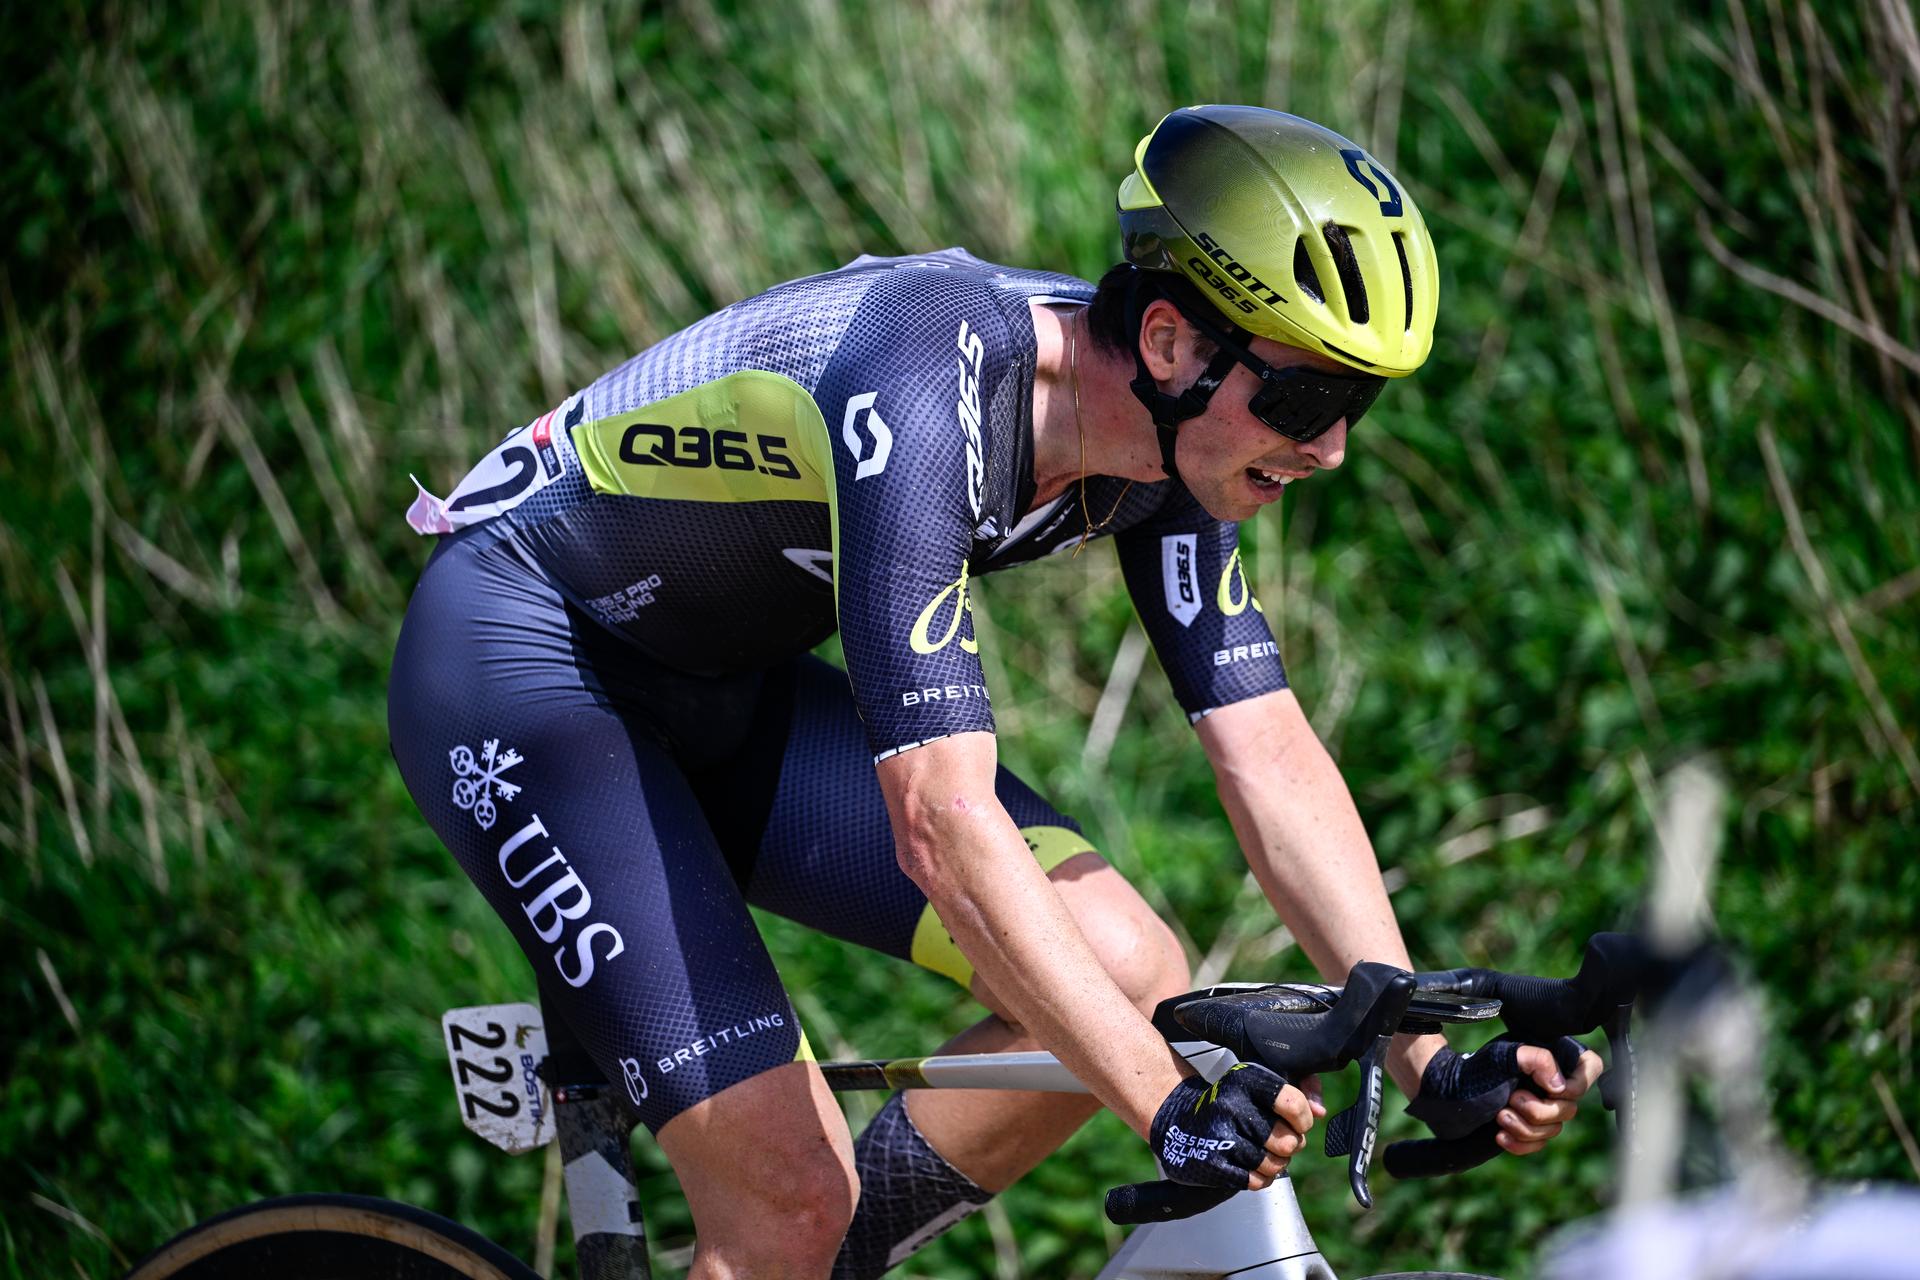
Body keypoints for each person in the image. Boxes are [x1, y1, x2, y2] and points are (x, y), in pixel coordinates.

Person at [388, 104, 1602, 1278]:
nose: (1330, 447)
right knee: (788, 1195)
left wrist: (1424, 1053)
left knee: (1131, 968)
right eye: (1306, 398)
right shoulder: (927, 381)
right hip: (525, 667)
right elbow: (939, 821)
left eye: (1356, 403)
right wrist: (1168, 1104)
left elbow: (1267, 751)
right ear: (1170, 344)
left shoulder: (1175, 444)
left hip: (720, 684)